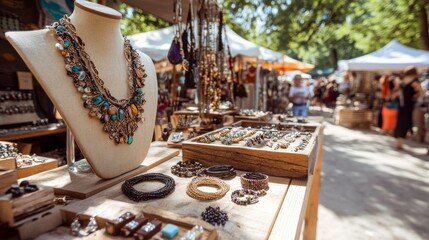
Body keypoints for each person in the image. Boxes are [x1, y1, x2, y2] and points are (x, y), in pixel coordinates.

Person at [393, 66, 424, 150]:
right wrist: (416, 96)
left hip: (402, 104)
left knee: (401, 122)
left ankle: (399, 142)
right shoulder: (414, 82)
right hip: (408, 105)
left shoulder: (403, 81)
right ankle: (400, 142)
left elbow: (396, 92)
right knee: (405, 122)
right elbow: (421, 93)